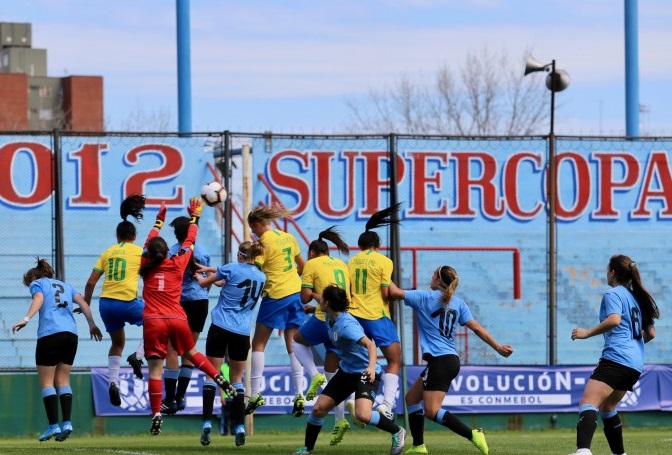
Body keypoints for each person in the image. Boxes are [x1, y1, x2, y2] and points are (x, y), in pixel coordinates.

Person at [388, 265, 514, 455]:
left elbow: (394, 292)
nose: (430, 277)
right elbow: (477, 328)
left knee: (431, 410)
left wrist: (381, 271)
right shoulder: (458, 302)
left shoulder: (424, 297)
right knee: (411, 398)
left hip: (440, 361)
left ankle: (473, 435)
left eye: (433, 274)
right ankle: (418, 446)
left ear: (439, 280)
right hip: (448, 360)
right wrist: (497, 347)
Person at [139, 197, 235, 435]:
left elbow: (148, 242)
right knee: (190, 352)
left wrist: (158, 220)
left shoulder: (145, 264)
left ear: (150, 253)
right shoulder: (178, 262)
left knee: (155, 369)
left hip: (154, 320)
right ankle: (217, 377)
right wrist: (196, 215)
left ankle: (157, 412)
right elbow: (190, 239)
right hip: (179, 315)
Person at [294, 285, 406, 455]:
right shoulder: (328, 314)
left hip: (365, 372)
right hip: (346, 371)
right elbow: (319, 300)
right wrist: (310, 308)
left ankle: (397, 431)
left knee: (362, 415)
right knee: (318, 409)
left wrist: (370, 367)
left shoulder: (347, 326)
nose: (320, 301)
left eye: (322, 299)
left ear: (329, 303)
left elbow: (370, 345)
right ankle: (307, 449)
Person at [568, 255, 659, 455]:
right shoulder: (638, 298)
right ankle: (620, 454)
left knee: (588, 402)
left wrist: (587, 333)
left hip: (617, 358)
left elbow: (615, 320)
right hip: (635, 363)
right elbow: (651, 333)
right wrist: (633, 345)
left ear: (613, 273)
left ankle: (583, 451)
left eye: (607, 270)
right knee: (608, 406)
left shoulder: (614, 293)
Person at [13, 258, 103, 442]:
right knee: (63, 379)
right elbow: (84, 303)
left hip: (50, 334)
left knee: (47, 382)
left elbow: (39, 298)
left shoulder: (37, 284)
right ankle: (68, 422)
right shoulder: (66, 285)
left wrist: (26, 318)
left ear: (33, 278)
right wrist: (92, 324)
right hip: (71, 335)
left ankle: (53, 425)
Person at [194, 240, 266, 447]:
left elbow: (204, 283)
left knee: (211, 374)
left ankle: (207, 423)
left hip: (220, 326)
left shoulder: (231, 268)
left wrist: (200, 275)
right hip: (242, 332)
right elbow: (230, 280)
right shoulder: (262, 276)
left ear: (240, 255)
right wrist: (214, 273)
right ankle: (240, 427)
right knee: (237, 379)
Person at [83, 194, 147, 406]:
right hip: (127, 302)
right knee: (157, 320)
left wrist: (85, 303)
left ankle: (113, 382)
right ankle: (138, 355)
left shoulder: (107, 252)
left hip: (106, 304)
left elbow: (91, 282)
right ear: (134, 236)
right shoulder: (140, 252)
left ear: (117, 236)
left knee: (117, 343)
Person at [245, 205, 307, 417]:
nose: (253, 232)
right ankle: (299, 393)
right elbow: (302, 265)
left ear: (258, 225)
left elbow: (254, 269)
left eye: (252, 228)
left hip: (276, 294)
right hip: (295, 292)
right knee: (294, 345)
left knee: (258, 344)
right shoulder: (288, 237)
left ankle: (255, 393)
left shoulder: (263, 243)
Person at [292, 226, 352, 445]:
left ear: (311, 253)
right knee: (332, 375)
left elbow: (305, 297)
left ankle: (311, 374)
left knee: (297, 341)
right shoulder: (341, 264)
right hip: (343, 321)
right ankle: (340, 420)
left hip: (324, 318)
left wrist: (316, 297)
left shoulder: (311, 264)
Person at [347, 204, 402, 421]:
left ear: (359, 246)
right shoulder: (384, 261)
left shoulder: (351, 261)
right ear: (378, 245)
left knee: (360, 360)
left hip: (355, 317)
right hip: (377, 316)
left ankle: (353, 397)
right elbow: (386, 292)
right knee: (394, 360)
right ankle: (387, 404)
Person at [161, 216, 212, 415]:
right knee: (189, 349)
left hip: (179, 303)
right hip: (200, 302)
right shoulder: (203, 252)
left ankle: (171, 399)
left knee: (171, 350)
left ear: (176, 234)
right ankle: (181, 397)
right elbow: (206, 281)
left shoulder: (172, 252)